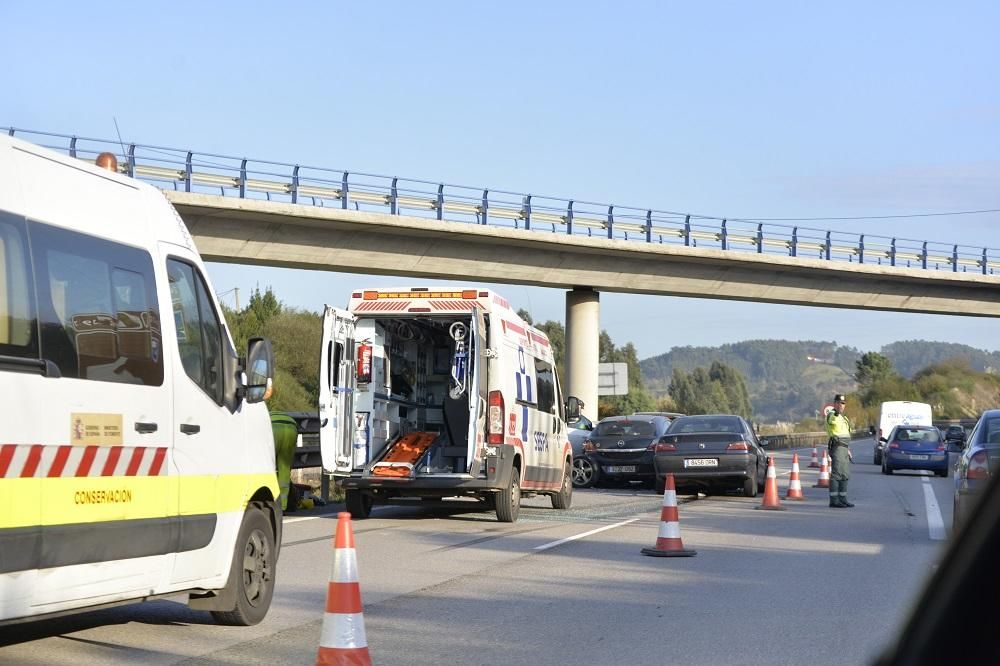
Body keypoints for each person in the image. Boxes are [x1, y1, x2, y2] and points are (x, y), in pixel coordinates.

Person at [826, 394, 854, 508]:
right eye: (838, 403)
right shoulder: (832, 415)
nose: (841, 405)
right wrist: (835, 412)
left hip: (844, 448)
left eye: (843, 403)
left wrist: (848, 449)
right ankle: (834, 500)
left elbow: (846, 434)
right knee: (837, 474)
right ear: (835, 403)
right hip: (837, 447)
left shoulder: (844, 418)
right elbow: (831, 420)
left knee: (845, 474)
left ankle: (843, 499)